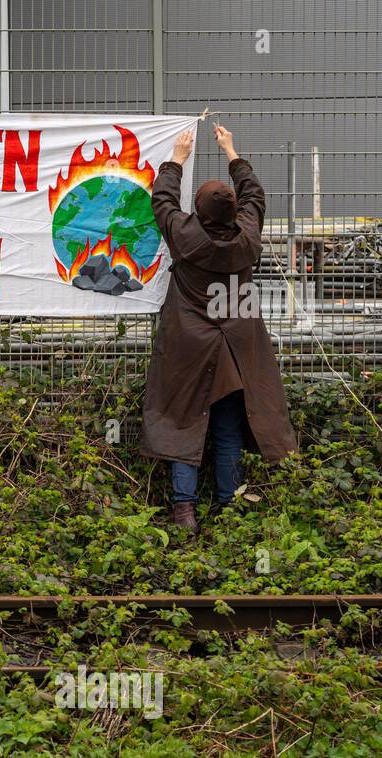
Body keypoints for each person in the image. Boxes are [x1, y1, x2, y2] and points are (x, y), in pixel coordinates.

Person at [141, 124, 298, 532]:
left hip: (188, 348)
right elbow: (254, 195)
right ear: (233, 214)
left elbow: (162, 199)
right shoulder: (247, 237)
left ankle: (184, 511)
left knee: (182, 421)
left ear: (199, 212)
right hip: (236, 348)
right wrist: (231, 151)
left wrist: (176, 157)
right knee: (226, 426)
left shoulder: (186, 237)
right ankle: (230, 506)